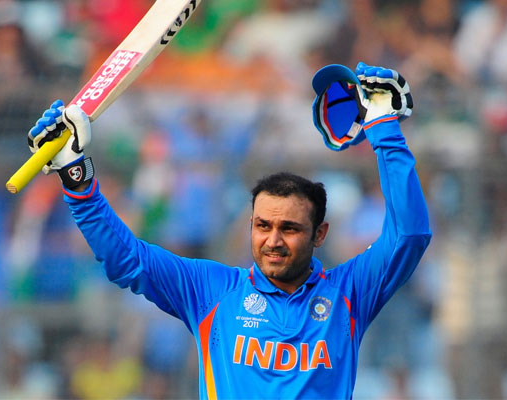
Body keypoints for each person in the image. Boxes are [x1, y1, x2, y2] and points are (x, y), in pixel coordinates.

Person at [25, 61, 431, 399]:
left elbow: (409, 236)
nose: (272, 240)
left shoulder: (349, 293)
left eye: (289, 228)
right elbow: (125, 258)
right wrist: (75, 177)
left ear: (319, 234)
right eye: (262, 225)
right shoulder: (213, 290)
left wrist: (385, 130)